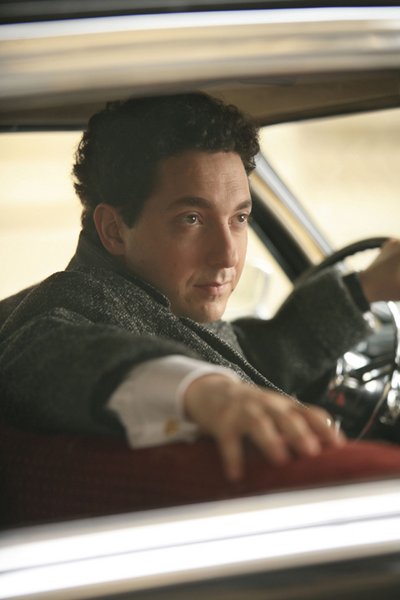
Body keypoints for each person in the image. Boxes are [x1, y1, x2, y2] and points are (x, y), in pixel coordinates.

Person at [1, 92, 400, 482]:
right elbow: (44, 354)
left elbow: (251, 354)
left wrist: (362, 288)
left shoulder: (161, 301)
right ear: (114, 230)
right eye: (191, 219)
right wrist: (205, 391)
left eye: (239, 219)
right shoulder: (70, 304)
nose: (227, 256)